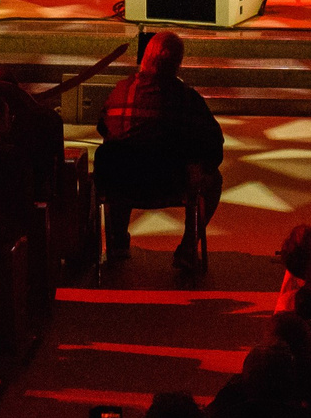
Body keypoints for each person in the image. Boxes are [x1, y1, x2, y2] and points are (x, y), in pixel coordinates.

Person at [96, 32, 225, 270]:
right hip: (171, 184)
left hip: (120, 185)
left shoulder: (120, 91)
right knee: (213, 180)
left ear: (144, 58)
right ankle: (187, 250)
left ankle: (119, 241)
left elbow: (104, 129)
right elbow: (214, 145)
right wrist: (197, 164)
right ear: (177, 64)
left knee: (119, 158)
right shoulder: (187, 99)